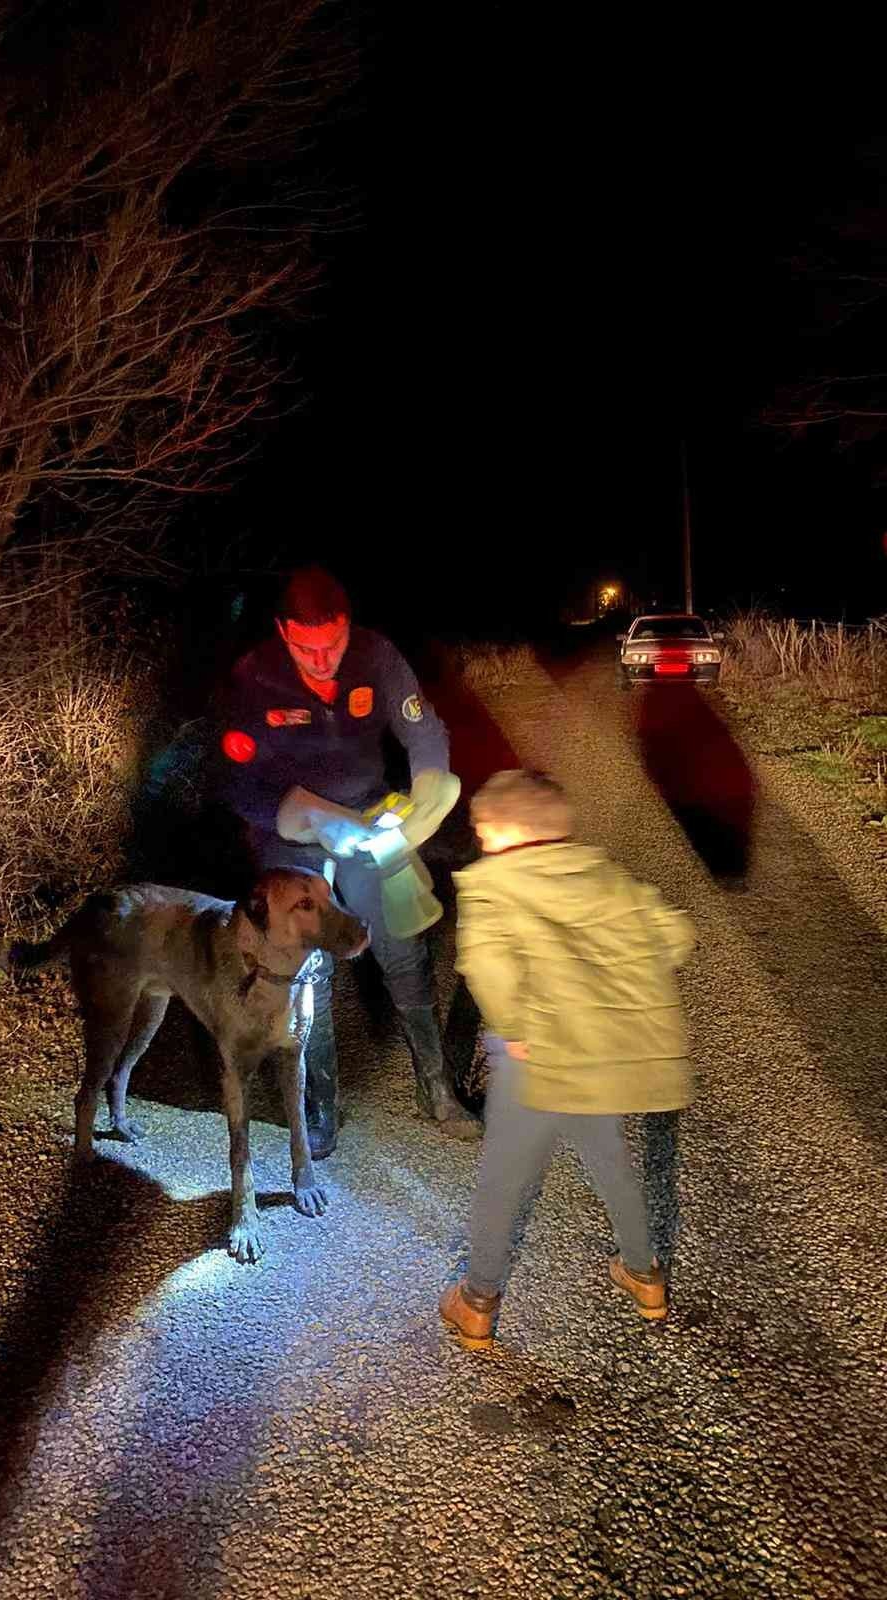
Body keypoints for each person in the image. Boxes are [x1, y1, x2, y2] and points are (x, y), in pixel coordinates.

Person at [217, 566, 479, 1157]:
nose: (322, 660)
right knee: (309, 970)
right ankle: (320, 1107)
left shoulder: (376, 656)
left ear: (348, 626)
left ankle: (435, 1089)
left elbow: (423, 729)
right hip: (294, 834)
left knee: (402, 948)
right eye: (306, 647)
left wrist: (430, 781)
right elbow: (236, 781)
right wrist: (295, 812)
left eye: (332, 643)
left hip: (366, 818)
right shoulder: (254, 676)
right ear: (284, 633)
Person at [438, 769, 696, 1347]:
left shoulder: (493, 882)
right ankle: (644, 1275)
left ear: (507, 830)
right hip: (596, 1052)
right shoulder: (603, 874)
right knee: (611, 1160)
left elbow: (485, 965)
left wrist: (515, 1027)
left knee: (503, 1179)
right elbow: (675, 936)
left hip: (535, 1057)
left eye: (483, 830)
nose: (480, 841)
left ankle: (477, 1301)